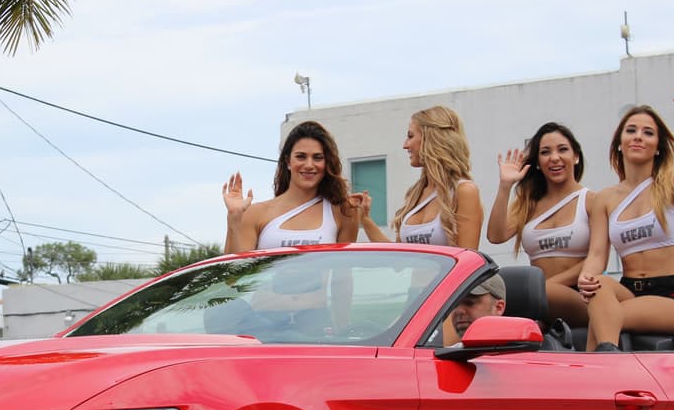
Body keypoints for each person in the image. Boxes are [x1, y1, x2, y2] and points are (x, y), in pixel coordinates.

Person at [577, 85, 674, 350]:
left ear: (658, 147)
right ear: (619, 143)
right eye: (631, 131)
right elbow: (597, 254)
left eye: (648, 133)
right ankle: (600, 370)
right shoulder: (606, 198)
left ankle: (600, 367)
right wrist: (587, 277)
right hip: (629, 289)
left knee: (607, 318)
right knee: (598, 287)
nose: (638, 137)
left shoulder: (672, 183)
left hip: (671, 295)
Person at [487, 122, 592, 328]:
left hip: (577, 295)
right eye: (545, 152)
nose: (554, 158)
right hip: (537, 297)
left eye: (562, 150)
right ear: (537, 162)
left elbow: (597, 258)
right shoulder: (529, 204)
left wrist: (544, 287)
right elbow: (495, 236)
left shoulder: (590, 199)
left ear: (576, 156)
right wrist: (505, 186)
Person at [356, 106, 483, 249]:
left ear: (431, 138)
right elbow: (398, 256)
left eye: (410, 136)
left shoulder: (464, 191)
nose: (405, 145)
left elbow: (468, 262)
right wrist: (365, 219)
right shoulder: (416, 194)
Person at [222, 120, 360, 252]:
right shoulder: (254, 214)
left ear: (327, 163)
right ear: (288, 161)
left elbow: (344, 273)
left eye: (318, 158)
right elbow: (234, 272)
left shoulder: (345, 211)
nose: (309, 165)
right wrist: (234, 217)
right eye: (301, 157)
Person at [449, 273, 507, 338]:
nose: (459, 311)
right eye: (454, 305)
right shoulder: (442, 348)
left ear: (498, 308)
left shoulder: (513, 347)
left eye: (469, 303)